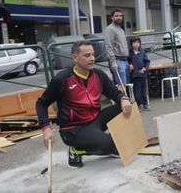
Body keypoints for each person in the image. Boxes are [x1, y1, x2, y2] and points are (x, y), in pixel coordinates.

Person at [36, 40, 132, 168]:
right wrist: (46, 128)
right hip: (73, 129)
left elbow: (115, 93)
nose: (92, 58)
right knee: (111, 144)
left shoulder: (98, 75)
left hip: (94, 120)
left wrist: (123, 98)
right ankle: (76, 150)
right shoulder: (62, 79)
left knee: (127, 107)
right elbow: (41, 104)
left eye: (93, 54)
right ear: (75, 58)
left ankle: (105, 142)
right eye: (87, 56)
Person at [104, 8, 129, 87]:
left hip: (125, 61)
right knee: (121, 86)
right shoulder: (109, 29)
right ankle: (122, 99)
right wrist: (113, 62)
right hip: (117, 61)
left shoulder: (121, 30)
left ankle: (126, 99)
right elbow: (108, 46)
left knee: (126, 85)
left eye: (120, 16)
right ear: (112, 17)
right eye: (116, 16)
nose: (119, 17)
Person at [128, 36, 150, 111]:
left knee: (144, 91)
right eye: (134, 42)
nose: (136, 44)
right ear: (131, 44)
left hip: (142, 75)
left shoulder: (142, 52)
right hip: (134, 75)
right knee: (136, 91)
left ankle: (145, 104)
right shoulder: (129, 53)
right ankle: (139, 104)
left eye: (138, 42)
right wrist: (129, 64)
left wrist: (145, 68)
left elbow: (147, 62)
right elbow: (128, 61)